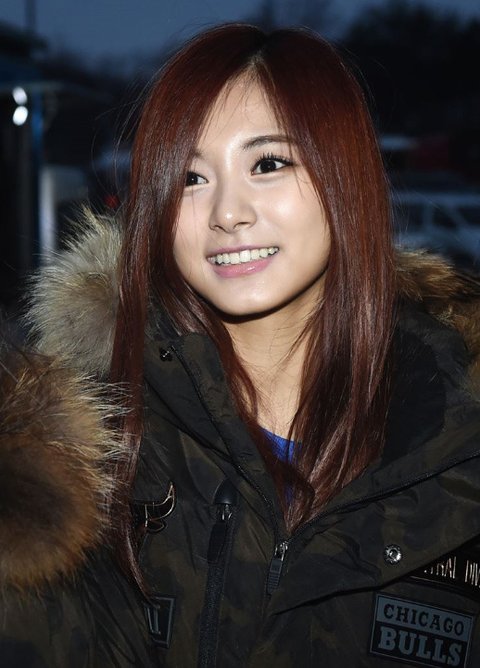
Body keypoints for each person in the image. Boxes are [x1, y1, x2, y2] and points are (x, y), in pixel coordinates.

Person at [2, 22, 480, 667]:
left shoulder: (458, 431)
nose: (228, 212)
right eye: (190, 178)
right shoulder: (66, 458)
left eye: (268, 164)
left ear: (346, 178)